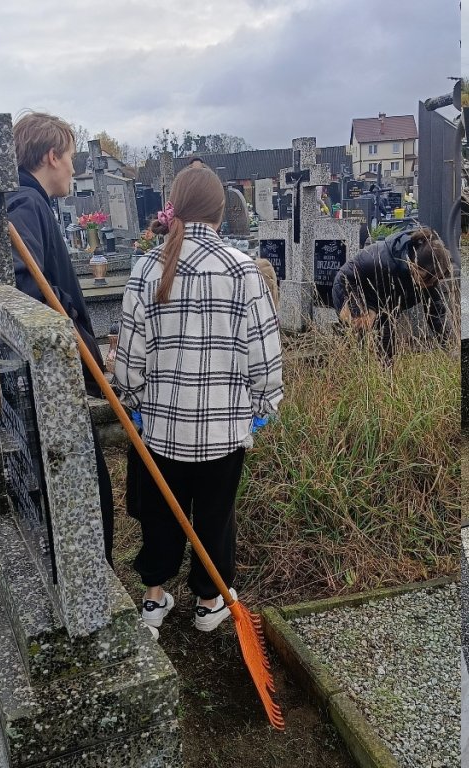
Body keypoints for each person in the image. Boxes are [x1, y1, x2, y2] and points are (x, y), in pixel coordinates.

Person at [113, 166, 283, 634]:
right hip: (224, 429)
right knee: (215, 513)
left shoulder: (145, 268)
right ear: (220, 211)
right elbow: (265, 354)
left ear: (176, 206)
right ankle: (210, 602)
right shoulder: (242, 269)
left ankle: (153, 598)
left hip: (161, 428)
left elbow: (128, 362)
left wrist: (136, 403)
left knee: (160, 511)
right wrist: (262, 406)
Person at [7, 111, 115, 567]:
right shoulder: (25, 204)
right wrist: (71, 327)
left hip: (46, 376)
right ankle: (94, 590)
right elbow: (24, 285)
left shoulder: (31, 202)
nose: (74, 168)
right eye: (71, 157)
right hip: (48, 381)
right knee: (90, 495)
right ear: (51, 156)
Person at [331, 227, 453, 359]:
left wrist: (449, 345)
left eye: (433, 281)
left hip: (385, 304)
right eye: (425, 279)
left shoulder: (430, 277)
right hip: (352, 290)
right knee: (357, 343)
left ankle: (385, 372)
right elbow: (345, 276)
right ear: (413, 266)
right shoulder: (381, 259)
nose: (428, 285)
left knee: (387, 345)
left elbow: (436, 314)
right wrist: (359, 310)